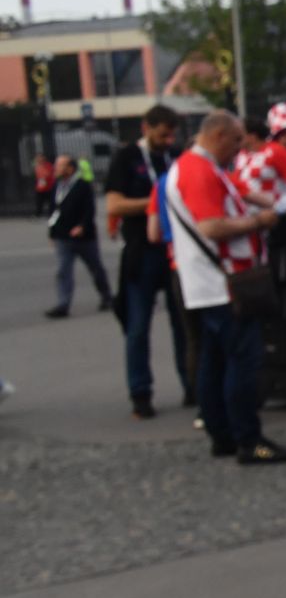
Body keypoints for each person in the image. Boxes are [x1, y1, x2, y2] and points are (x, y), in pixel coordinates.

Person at [163, 111, 286, 464]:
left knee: (216, 360)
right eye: (236, 140)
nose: (240, 148)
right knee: (242, 360)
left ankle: (222, 434)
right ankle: (248, 439)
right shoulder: (199, 170)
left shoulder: (196, 167)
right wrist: (258, 222)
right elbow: (210, 226)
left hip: (211, 280)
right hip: (223, 281)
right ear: (219, 135)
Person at [103, 104, 190, 417]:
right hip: (142, 251)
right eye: (163, 134)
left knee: (183, 323)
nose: (168, 140)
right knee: (138, 327)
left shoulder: (176, 156)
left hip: (174, 250)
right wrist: (156, 201)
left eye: (172, 135)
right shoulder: (126, 158)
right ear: (146, 128)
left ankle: (192, 385)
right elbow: (115, 204)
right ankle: (140, 393)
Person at [45, 154, 113, 318]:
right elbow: (54, 211)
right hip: (63, 236)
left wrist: (82, 226)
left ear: (70, 168)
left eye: (60, 166)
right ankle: (63, 304)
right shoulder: (56, 186)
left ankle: (107, 296)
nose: (57, 168)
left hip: (84, 237)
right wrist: (52, 233)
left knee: (95, 268)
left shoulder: (82, 185)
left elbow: (89, 209)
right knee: (63, 270)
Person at [33, 153, 55, 217]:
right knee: (39, 202)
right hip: (40, 187)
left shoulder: (48, 165)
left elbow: (48, 174)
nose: (38, 159)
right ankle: (38, 214)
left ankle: (51, 213)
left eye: (39, 157)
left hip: (48, 187)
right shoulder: (37, 166)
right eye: (37, 158)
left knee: (51, 202)